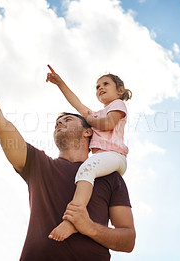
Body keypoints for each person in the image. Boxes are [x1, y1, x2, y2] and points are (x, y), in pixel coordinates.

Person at [0, 35, 135, 260]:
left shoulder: (110, 177)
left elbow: (128, 240)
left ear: (88, 131)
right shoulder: (38, 164)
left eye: (67, 119)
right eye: (57, 121)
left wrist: (88, 226)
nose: (60, 122)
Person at [46, 65, 132, 242]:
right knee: (88, 172)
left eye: (105, 84)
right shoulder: (96, 114)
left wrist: (90, 120)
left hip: (114, 155)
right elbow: (76, 103)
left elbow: (108, 123)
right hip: (104, 159)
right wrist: (60, 83)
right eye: (97, 86)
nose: (100, 88)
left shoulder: (117, 104)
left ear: (120, 90)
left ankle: (72, 220)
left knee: (86, 170)